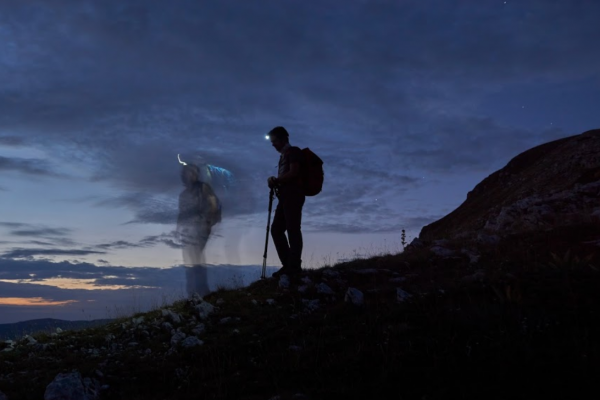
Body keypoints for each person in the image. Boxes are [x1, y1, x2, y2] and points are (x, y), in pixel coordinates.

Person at [176, 163, 221, 297]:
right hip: (188, 230)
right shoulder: (183, 195)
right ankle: (193, 293)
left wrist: (207, 222)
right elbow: (181, 213)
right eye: (188, 172)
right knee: (190, 259)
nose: (190, 175)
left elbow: (213, 204)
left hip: (200, 226)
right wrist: (178, 228)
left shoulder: (203, 188)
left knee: (195, 257)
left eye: (193, 172)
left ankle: (201, 292)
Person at [267, 126, 305, 277]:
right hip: (285, 197)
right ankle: (289, 264)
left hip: (293, 196)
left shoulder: (294, 152)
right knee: (277, 229)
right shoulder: (284, 155)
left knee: (292, 229)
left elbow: (294, 172)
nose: (273, 144)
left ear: (284, 139)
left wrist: (276, 180)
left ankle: (293, 267)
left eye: (274, 141)